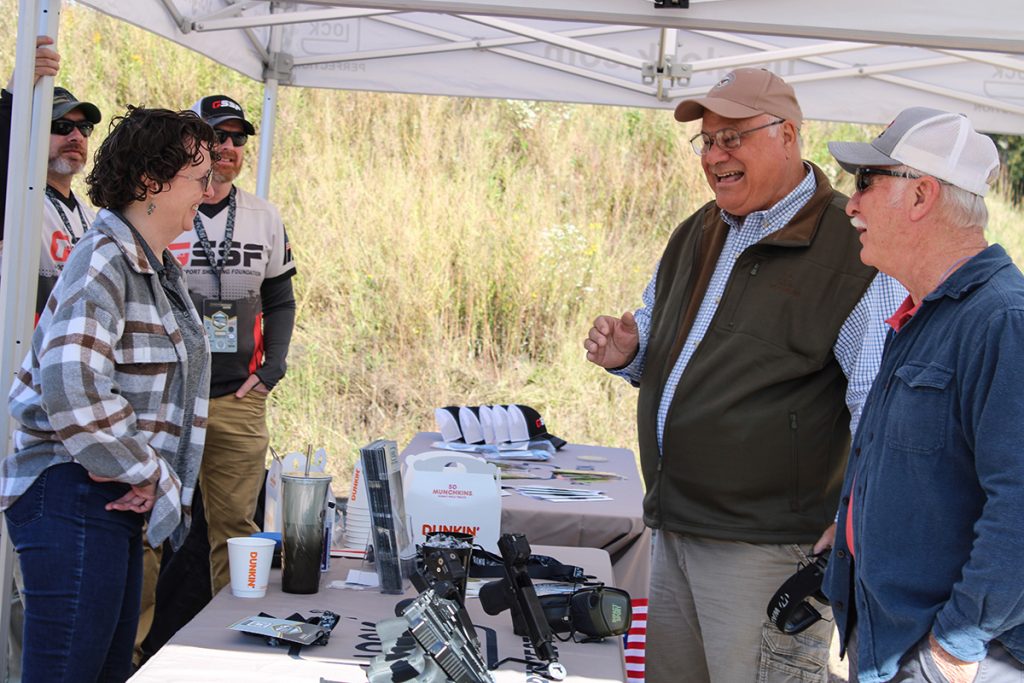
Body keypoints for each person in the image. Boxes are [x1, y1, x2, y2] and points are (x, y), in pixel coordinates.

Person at [583, 68, 905, 683]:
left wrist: (858, 511)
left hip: (767, 550)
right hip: (675, 528)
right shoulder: (698, 231)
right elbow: (667, 354)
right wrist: (631, 355)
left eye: (733, 138)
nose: (715, 155)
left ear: (788, 135)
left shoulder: (852, 246)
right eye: (707, 141)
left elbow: (874, 401)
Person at [0, 106, 215, 683]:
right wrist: (144, 469)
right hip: (70, 495)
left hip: (102, 499)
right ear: (151, 182)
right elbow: (73, 385)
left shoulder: (151, 266)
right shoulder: (105, 260)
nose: (209, 190)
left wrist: (139, 473)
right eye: (199, 177)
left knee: (104, 671)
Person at [823, 107, 1024, 683]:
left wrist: (955, 646)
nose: (852, 204)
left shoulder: (1003, 320)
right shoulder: (926, 311)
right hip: (897, 636)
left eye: (865, 183)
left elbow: (1019, 504)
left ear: (921, 197)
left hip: (959, 653)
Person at [182, 94, 296, 595]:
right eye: (216, 135)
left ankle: (227, 651)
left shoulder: (263, 214)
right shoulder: (161, 206)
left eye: (237, 137)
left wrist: (272, 369)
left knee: (235, 535)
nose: (227, 146)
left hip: (238, 398)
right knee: (146, 535)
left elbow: (281, 299)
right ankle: (135, 660)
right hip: (169, 399)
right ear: (193, 143)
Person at [0, 36, 101, 322]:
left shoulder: (89, 216)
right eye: (61, 126)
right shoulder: (15, 200)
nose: (76, 136)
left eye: (84, 128)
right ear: (29, 131)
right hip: (18, 362)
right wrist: (13, 98)